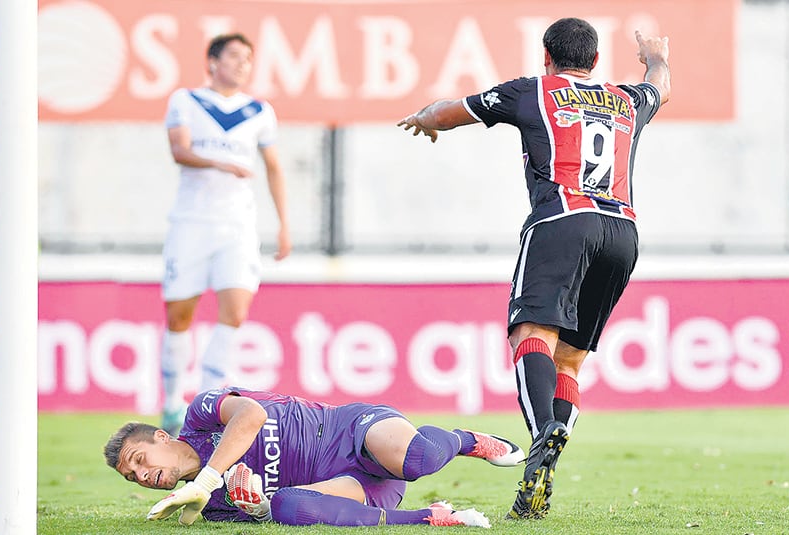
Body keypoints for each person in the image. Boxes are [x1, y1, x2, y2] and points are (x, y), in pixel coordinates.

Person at [397, 18, 670, 520]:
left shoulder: (532, 91)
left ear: (547, 55)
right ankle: (551, 449)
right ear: (594, 61)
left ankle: (545, 430)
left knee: (531, 332)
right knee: (570, 361)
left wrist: (424, 119)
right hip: (623, 232)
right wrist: (655, 56)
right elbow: (660, 87)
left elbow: (451, 112)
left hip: (562, 221)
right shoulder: (627, 99)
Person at [104, 387, 526, 527]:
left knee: (418, 461)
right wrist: (259, 507)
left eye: (139, 459)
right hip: (350, 487)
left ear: (161, 436)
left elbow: (251, 414)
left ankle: (465, 439)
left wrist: (208, 479)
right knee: (288, 507)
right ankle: (429, 517)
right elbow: (276, 509)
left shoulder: (201, 415)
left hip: (349, 431)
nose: (141, 475)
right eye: (132, 477)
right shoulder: (207, 506)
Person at [159, 33, 291, 436]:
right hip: (191, 224)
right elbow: (179, 151)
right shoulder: (186, 100)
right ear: (212, 62)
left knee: (235, 311)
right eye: (234, 56)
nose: (242, 64)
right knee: (180, 317)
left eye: (248, 59)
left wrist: (284, 223)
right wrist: (222, 163)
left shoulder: (259, 111)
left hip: (238, 227)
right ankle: (169, 403)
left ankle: (205, 400)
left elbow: (273, 167)